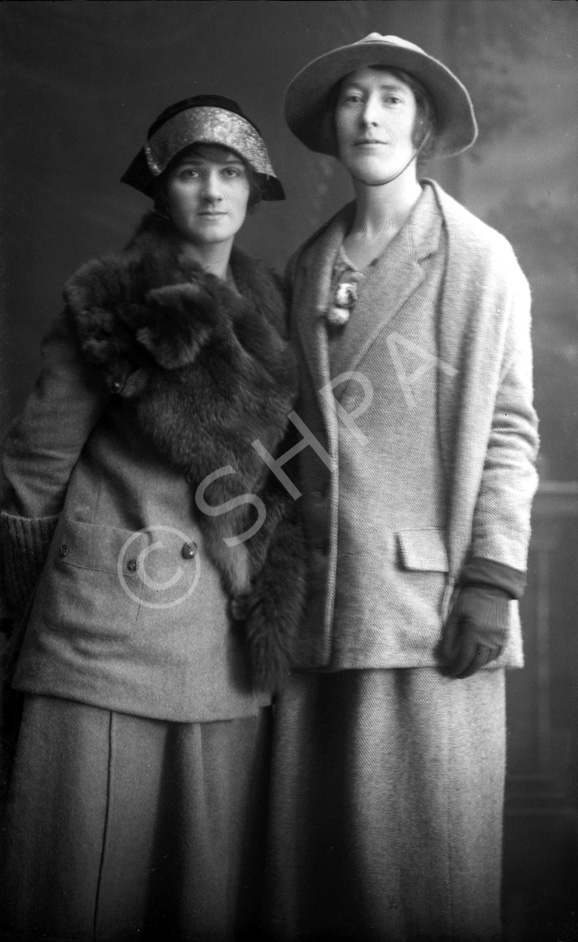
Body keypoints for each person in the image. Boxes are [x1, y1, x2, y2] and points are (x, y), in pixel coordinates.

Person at [0, 94, 304, 941]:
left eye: (230, 173)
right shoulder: (110, 302)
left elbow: (278, 476)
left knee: (199, 901)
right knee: (79, 896)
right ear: (161, 192)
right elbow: (33, 470)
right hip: (103, 636)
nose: (212, 191)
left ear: (254, 191)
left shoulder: (272, 311)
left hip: (217, 633)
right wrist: (25, 615)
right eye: (191, 173)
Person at [264, 34, 539, 942]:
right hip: (318, 603)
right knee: (324, 873)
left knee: (428, 873)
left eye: (389, 98)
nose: (369, 115)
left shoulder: (478, 257)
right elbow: (299, 433)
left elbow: (509, 426)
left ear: (421, 123)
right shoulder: (309, 263)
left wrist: (493, 580)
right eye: (352, 98)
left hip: (430, 601)